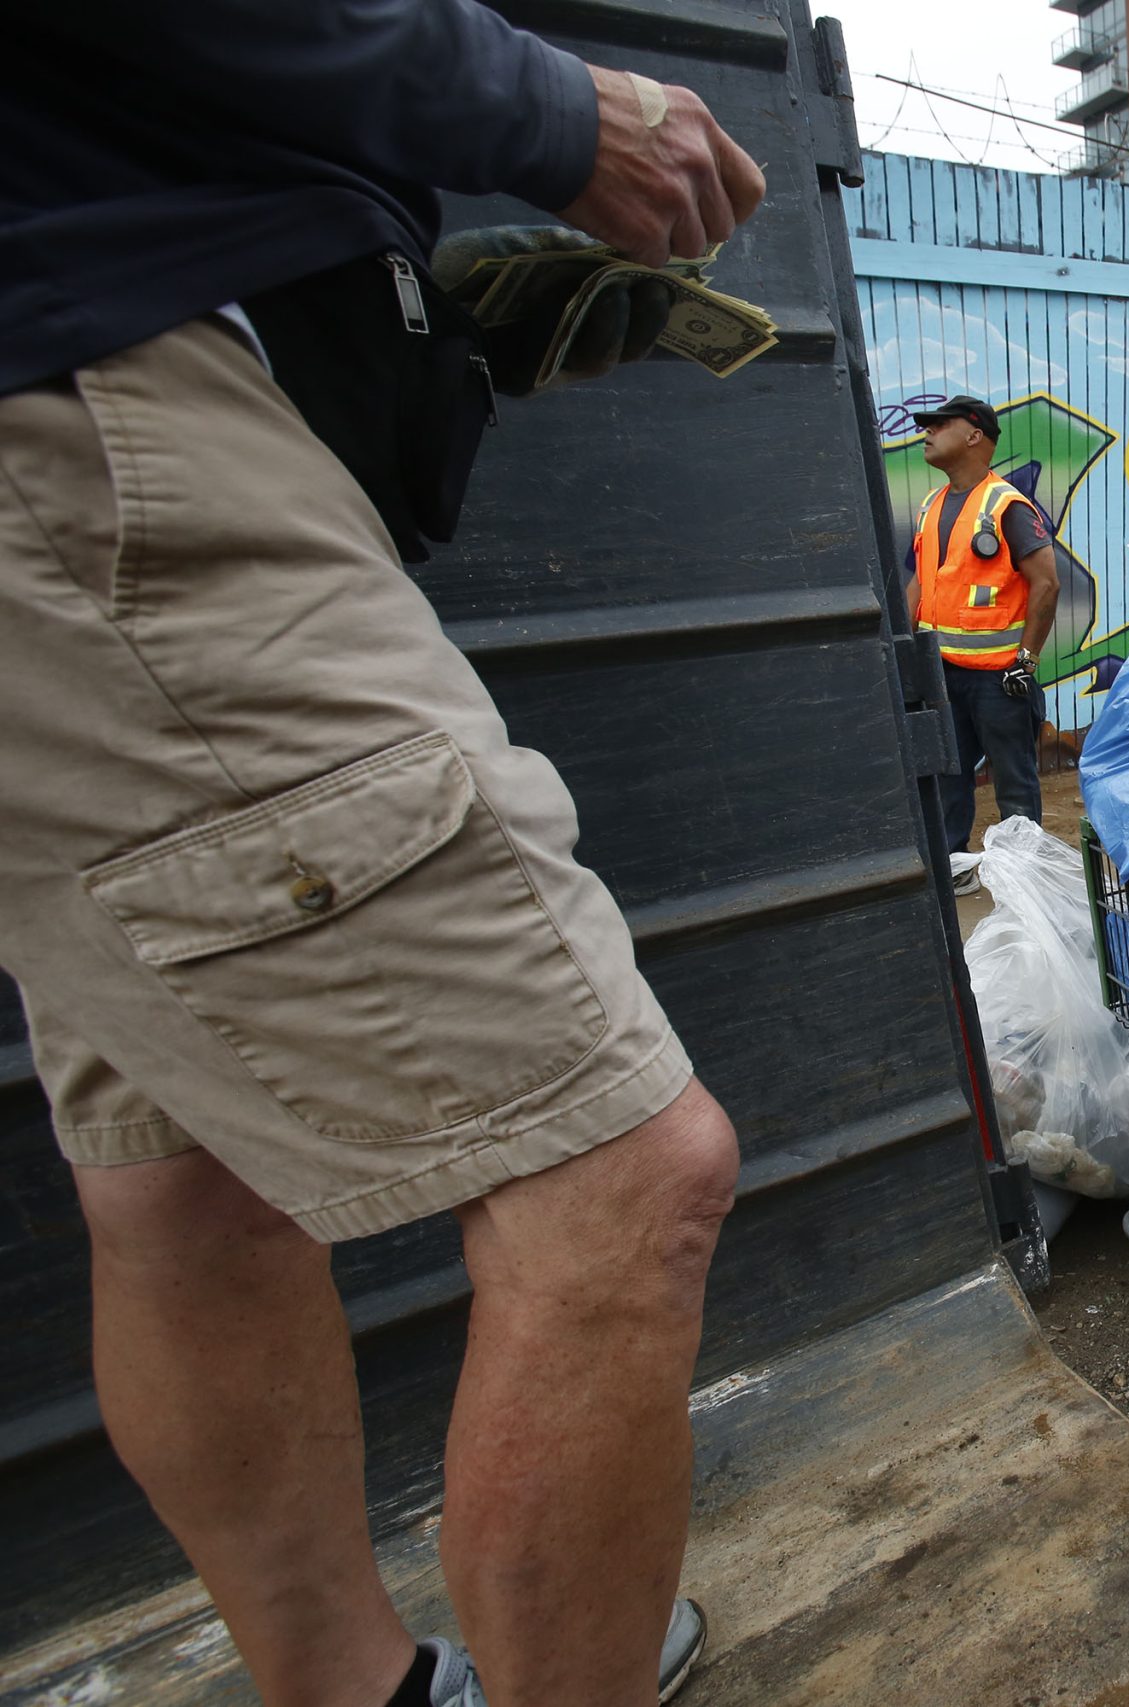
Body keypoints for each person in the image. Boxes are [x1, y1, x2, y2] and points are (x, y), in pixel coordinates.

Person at [0, 5, 767, 1703]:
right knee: (625, 1180)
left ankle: (353, 1689)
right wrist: (542, 105)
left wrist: (384, 292)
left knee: (183, 1178)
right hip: (93, 426)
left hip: (82, 447)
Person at [903, 396, 1062, 887]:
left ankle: (1025, 876)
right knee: (949, 775)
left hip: (999, 678)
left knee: (1013, 780)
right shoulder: (932, 505)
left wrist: (1027, 661)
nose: (926, 433)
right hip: (942, 675)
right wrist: (906, 647)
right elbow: (920, 581)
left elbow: (1047, 583)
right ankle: (957, 869)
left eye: (938, 424)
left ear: (974, 435)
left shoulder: (1007, 506)